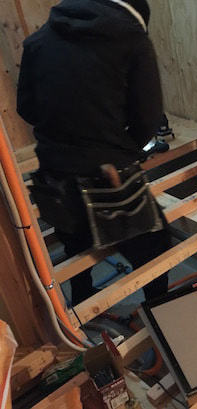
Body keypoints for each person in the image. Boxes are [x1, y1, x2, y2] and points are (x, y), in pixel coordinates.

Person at [16, 0, 170, 305]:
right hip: (107, 182)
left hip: (53, 177)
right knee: (156, 248)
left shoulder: (39, 40)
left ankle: (83, 298)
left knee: (75, 244)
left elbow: (27, 108)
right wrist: (119, 147)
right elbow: (148, 119)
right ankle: (158, 310)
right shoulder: (132, 39)